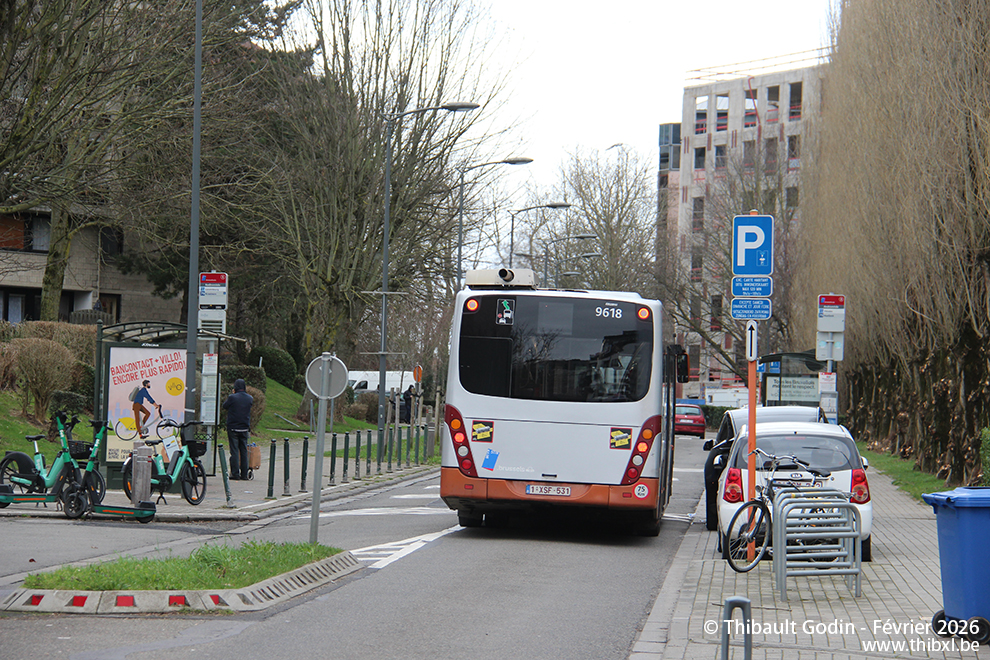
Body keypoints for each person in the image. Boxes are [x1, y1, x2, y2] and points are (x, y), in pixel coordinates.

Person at [222, 378, 253, 480]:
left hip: (233, 427)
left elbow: (224, 406)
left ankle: (235, 473)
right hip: (244, 428)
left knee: (234, 451)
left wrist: (233, 394)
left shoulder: (232, 397)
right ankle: (244, 474)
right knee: (243, 451)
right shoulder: (250, 398)